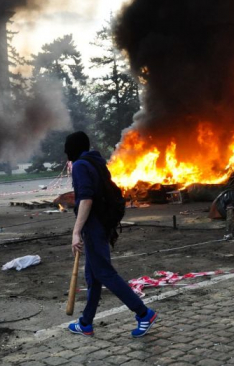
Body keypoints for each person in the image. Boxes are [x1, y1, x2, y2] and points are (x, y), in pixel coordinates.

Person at [64, 131, 157, 338]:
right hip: (102, 225)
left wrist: (76, 232)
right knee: (93, 276)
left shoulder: (80, 166)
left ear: (73, 149)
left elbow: (86, 199)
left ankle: (143, 313)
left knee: (105, 273)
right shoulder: (95, 162)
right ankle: (86, 323)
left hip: (94, 226)